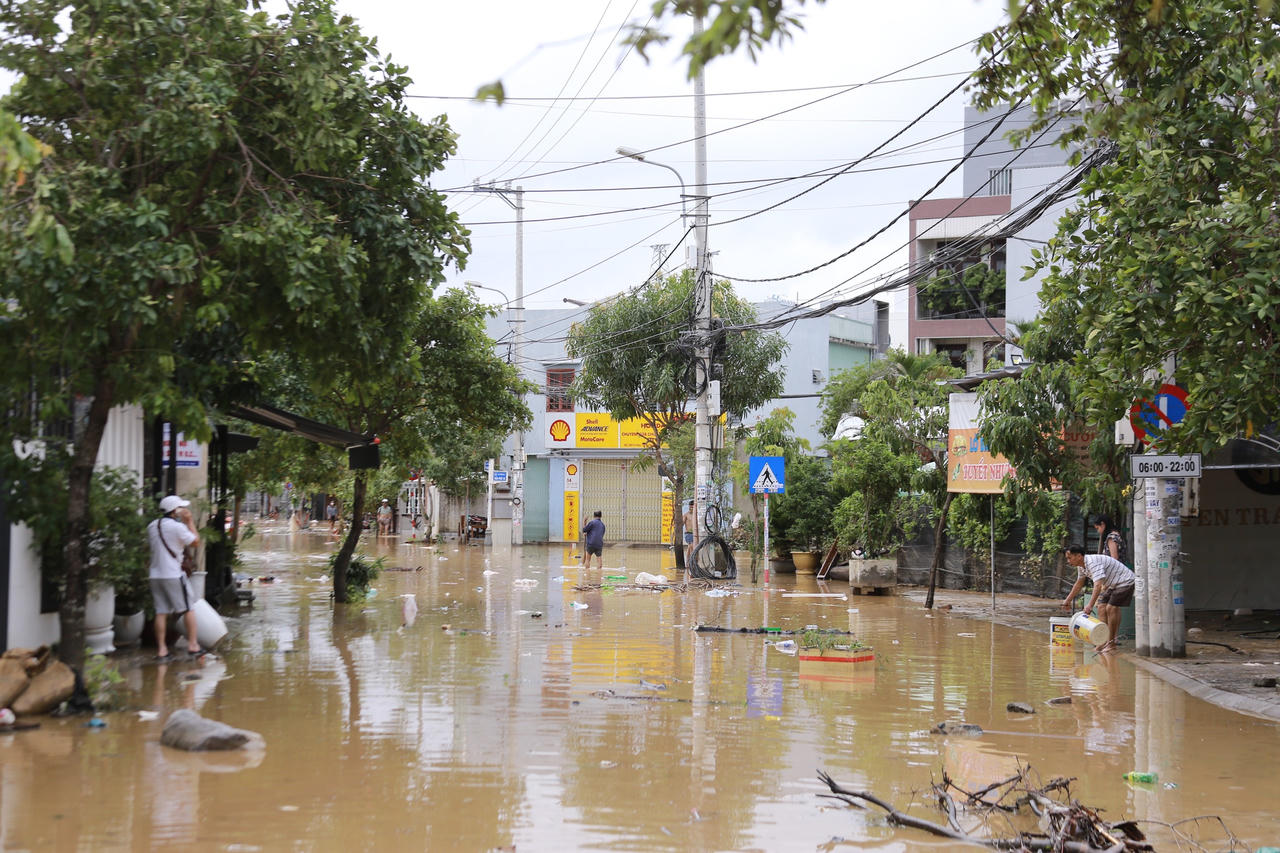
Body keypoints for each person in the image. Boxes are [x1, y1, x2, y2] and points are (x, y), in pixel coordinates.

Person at [147, 494, 202, 661]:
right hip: (173, 574)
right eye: (181, 507)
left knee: (161, 611)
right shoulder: (177, 527)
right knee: (188, 608)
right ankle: (193, 646)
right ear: (175, 511)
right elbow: (195, 542)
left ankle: (162, 650)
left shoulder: (151, 526)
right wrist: (190, 522)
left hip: (155, 575)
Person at [1062, 544, 1135, 653]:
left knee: (1111, 608)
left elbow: (1098, 585)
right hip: (1112, 584)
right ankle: (1103, 641)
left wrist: (1090, 605)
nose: (1068, 561)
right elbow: (1079, 583)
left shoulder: (1092, 563)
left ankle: (1111, 643)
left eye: (1069, 557)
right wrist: (1067, 600)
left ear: (1079, 556)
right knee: (1101, 607)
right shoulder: (1081, 566)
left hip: (1125, 581)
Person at [682, 500, 697, 564]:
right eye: (690, 507)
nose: (691, 508)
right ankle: (692, 563)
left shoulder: (696, 515)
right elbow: (682, 523)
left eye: (692, 507)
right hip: (688, 534)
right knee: (692, 547)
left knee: (689, 548)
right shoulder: (686, 515)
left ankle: (687, 563)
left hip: (695, 534)